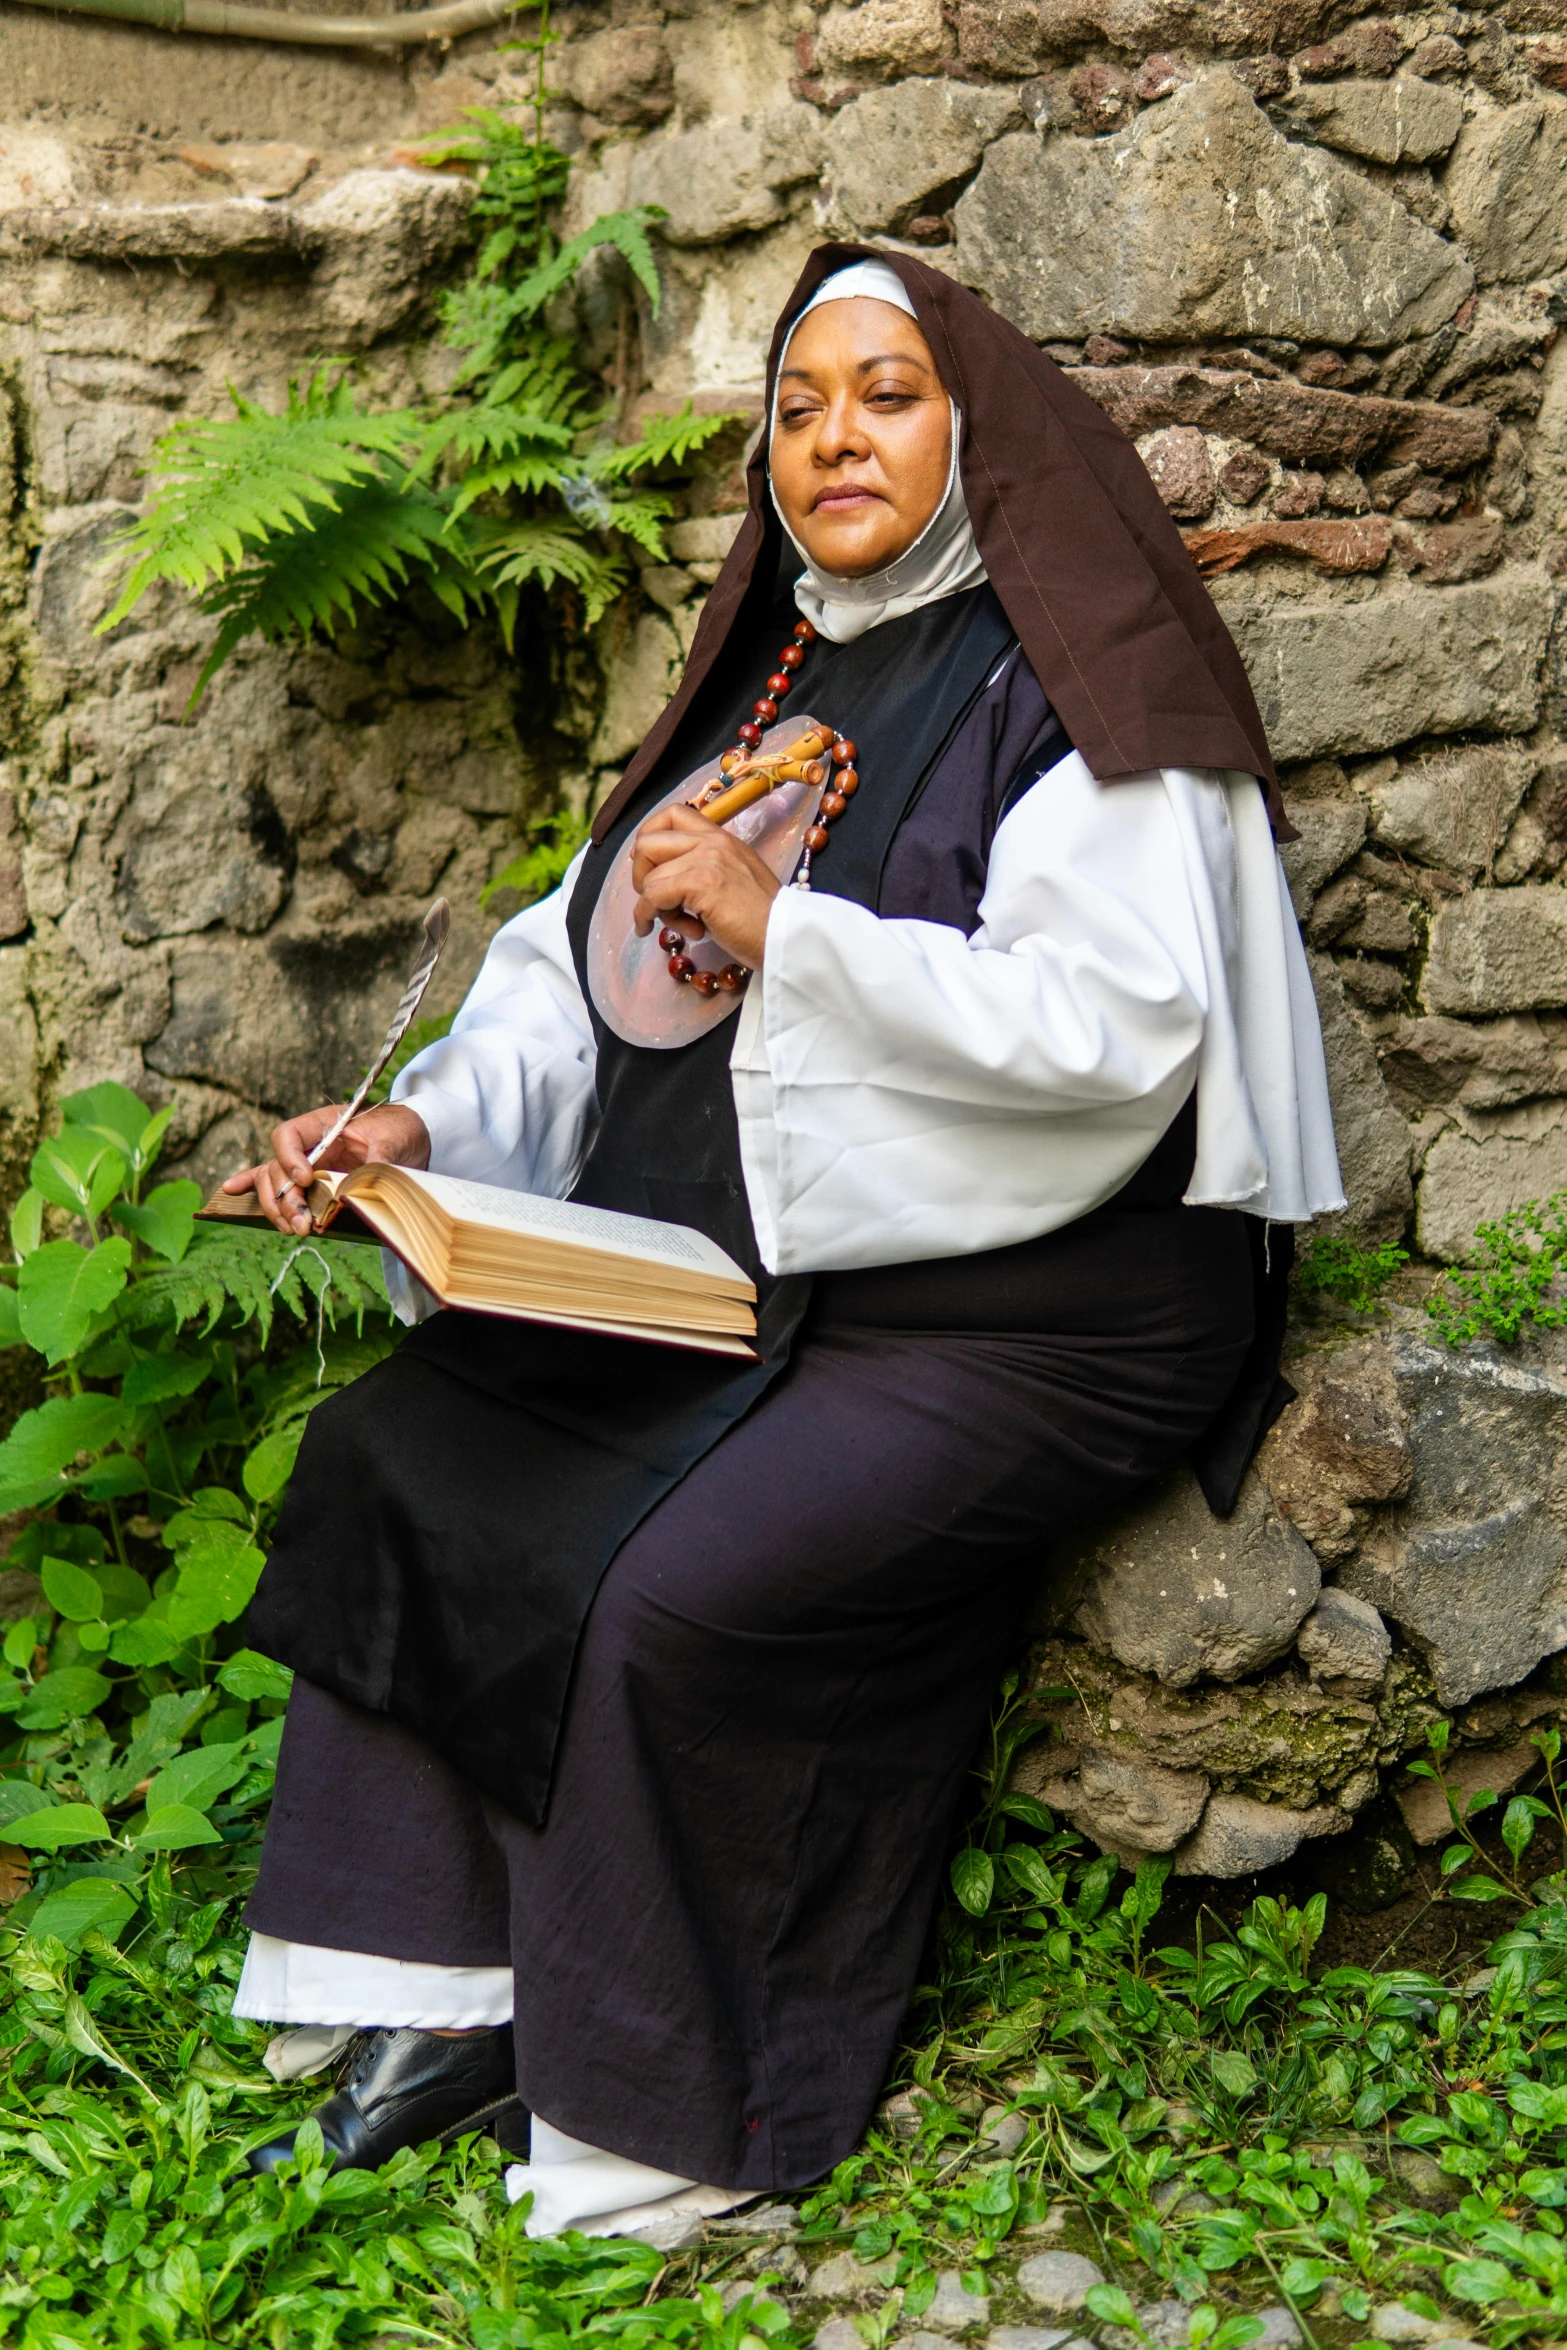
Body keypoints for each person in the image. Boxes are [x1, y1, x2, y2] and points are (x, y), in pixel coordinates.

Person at [224, 249, 1343, 2229]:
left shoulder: (1070, 676)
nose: (834, 434)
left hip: (1038, 1310)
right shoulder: (778, 663)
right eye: (803, 398)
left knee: (681, 1583)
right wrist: (419, 1118)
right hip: (759, 1262)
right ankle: (451, 1981)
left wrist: (788, 940)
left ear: (974, 427)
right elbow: (574, 976)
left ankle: (672, 2101)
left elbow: (1118, 1029)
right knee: (410, 1442)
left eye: (888, 393)